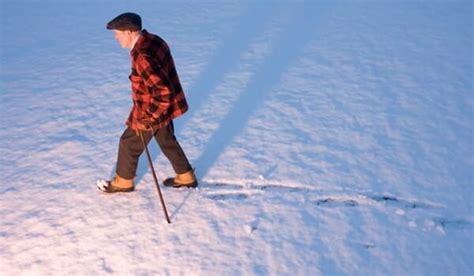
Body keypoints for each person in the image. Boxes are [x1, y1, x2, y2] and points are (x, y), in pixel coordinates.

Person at [97, 12, 197, 193]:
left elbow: (162, 91)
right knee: (166, 139)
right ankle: (186, 175)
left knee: (128, 143)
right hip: (164, 108)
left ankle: (123, 182)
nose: (115, 36)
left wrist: (150, 116)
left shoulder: (142, 56)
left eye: (117, 32)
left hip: (152, 110)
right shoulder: (153, 40)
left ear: (129, 32)